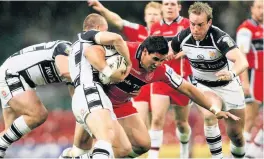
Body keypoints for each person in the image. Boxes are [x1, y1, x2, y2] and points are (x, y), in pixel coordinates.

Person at [60, 36, 240, 159]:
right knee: (95, 147)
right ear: (144, 51)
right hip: (99, 101)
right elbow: (90, 50)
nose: (158, 65)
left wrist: (214, 108)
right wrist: (106, 71)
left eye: (162, 60)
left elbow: (188, 89)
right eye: (155, 59)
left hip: (122, 104)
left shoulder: (161, 70)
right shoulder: (125, 51)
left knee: (142, 145)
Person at [171, 2, 249, 158]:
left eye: (200, 25)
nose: (195, 29)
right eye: (192, 24)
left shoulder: (219, 38)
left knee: (236, 136)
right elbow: (167, 51)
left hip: (229, 86)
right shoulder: (182, 36)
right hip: (204, 86)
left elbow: (242, 61)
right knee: (209, 115)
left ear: (209, 22)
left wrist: (231, 74)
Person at [0, 40, 73, 158]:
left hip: (15, 75)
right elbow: (65, 72)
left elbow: (78, 103)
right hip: (11, 75)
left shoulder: (74, 63)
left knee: (10, 132)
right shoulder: (67, 50)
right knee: (38, 114)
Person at [68, 13, 134, 159]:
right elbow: (117, 38)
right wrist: (128, 62)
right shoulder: (87, 36)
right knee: (105, 139)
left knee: (123, 148)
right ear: (98, 28)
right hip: (90, 91)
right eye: (106, 30)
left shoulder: (75, 47)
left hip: (89, 94)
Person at [132, 0, 193, 158]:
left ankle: (184, 150)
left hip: (181, 79)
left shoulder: (188, 24)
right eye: (166, 4)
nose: (169, 7)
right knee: (157, 120)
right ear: (163, 7)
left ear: (178, 7)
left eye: (173, 4)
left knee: (181, 124)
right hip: (160, 79)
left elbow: (197, 44)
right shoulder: (156, 27)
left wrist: (182, 52)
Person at [236, 0, 263, 157]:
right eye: (259, 7)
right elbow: (241, 56)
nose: (262, 11)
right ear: (252, 9)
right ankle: (239, 154)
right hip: (254, 76)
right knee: (250, 118)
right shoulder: (246, 29)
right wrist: (245, 82)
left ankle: (253, 152)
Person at [88, 0, 162, 42]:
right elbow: (117, 21)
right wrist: (103, 9)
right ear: (145, 17)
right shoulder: (138, 29)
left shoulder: (168, 34)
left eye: (155, 14)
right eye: (149, 14)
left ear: (162, 17)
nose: (152, 17)